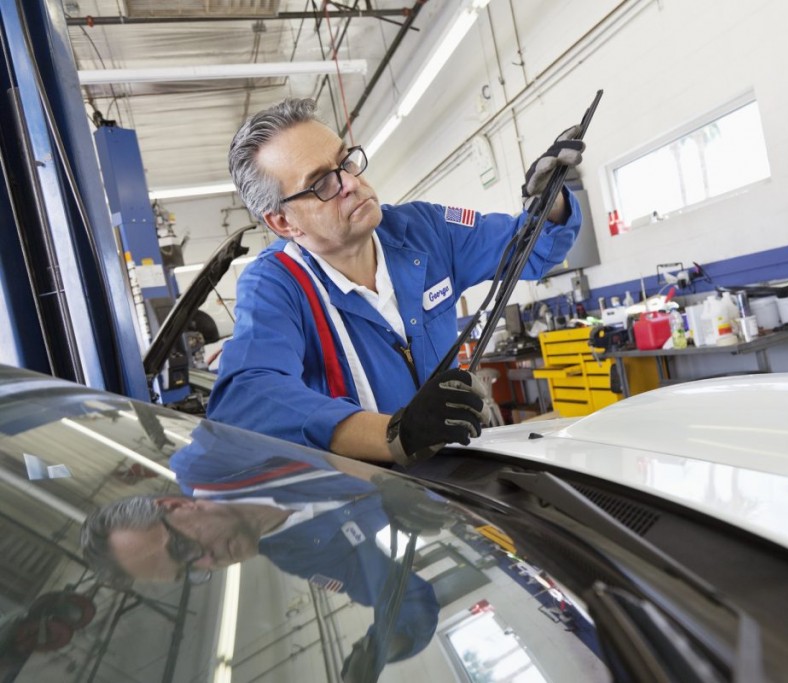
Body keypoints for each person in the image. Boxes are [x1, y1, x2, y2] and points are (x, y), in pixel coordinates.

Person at [207, 97, 585, 466]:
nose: (350, 184)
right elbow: (248, 398)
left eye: (346, 162)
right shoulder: (276, 284)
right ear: (283, 223)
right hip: (371, 494)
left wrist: (548, 204)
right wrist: (396, 433)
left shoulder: (423, 231)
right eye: (322, 183)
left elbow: (531, 251)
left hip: (461, 465)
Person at [80, 422, 451, 668]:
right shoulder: (303, 556)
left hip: (435, 424)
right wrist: (384, 649)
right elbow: (405, 597)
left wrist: (379, 479)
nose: (208, 562)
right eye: (190, 571)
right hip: (469, 483)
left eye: (182, 549)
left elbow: (307, 415)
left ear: (174, 505)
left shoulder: (219, 450)